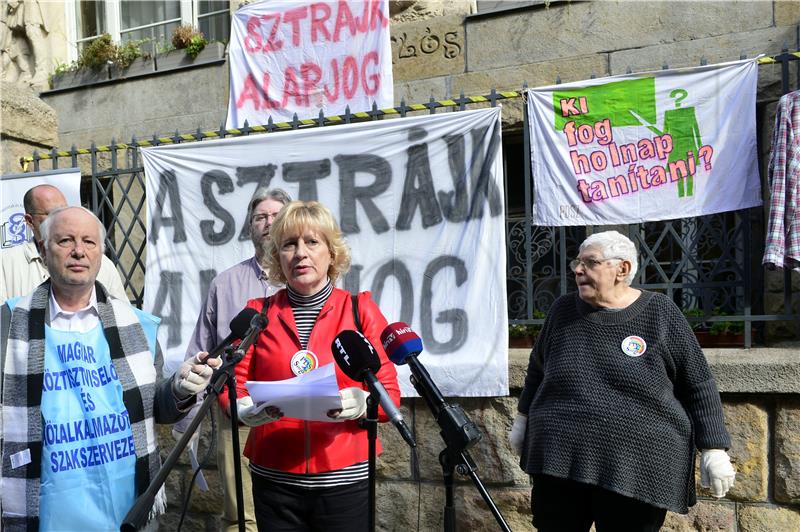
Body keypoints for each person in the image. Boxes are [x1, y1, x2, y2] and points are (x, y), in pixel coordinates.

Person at [0, 206, 221, 530]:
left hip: (125, 514)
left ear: (100, 252)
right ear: (44, 250)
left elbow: (156, 406)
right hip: (45, 515)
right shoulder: (8, 325)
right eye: (66, 240)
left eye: (89, 241)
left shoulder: (137, 325)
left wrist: (179, 388)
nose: (79, 250)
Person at [509, 230, 735, 532]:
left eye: (590, 263)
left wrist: (714, 449)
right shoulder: (562, 310)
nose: (578, 270)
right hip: (558, 458)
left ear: (622, 269)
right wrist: (522, 419)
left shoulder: (660, 313)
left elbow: (698, 384)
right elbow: (537, 371)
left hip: (636, 465)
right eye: (578, 262)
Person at [217, 200, 400, 531]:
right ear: (278, 257)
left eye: (311, 242)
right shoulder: (256, 314)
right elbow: (232, 384)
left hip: (344, 481)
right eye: (289, 244)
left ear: (331, 253)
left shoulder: (361, 311)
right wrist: (241, 409)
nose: (300, 253)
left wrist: (365, 403)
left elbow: (389, 396)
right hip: (274, 482)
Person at [183, 187, 291, 532]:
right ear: (249, 228)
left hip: (293, 409)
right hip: (237, 412)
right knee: (241, 517)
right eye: (260, 217)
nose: (268, 223)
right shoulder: (225, 284)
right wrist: (189, 413)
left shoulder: (305, 279)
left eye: (275, 216)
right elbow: (201, 349)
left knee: (291, 510)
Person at [0, 184, 128, 302]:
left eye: (63, 211)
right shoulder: (5, 263)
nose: (61, 219)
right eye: (51, 214)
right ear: (29, 221)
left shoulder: (102, 263)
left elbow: (123, 318)